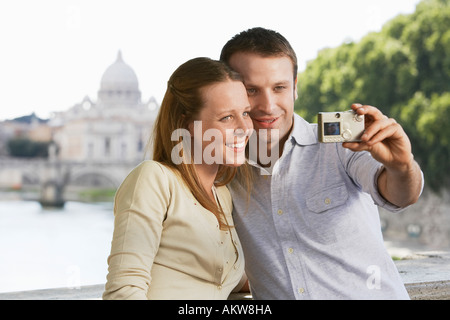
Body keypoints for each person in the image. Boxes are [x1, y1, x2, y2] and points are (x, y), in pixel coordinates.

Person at [220, 27, 424, 300]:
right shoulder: (223, 171)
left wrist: (401, 166)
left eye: (279, 87)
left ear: (295, 88)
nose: (267, 106)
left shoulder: (340, 144)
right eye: (251, 90)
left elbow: (400, 194)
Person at [103, 57, 252, 300]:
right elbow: (123, 293)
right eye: (226, 117)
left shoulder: (222, 195)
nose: (244, 128)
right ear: (186, 124)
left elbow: (224, 279)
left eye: (245, 113)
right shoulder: (154, 180)